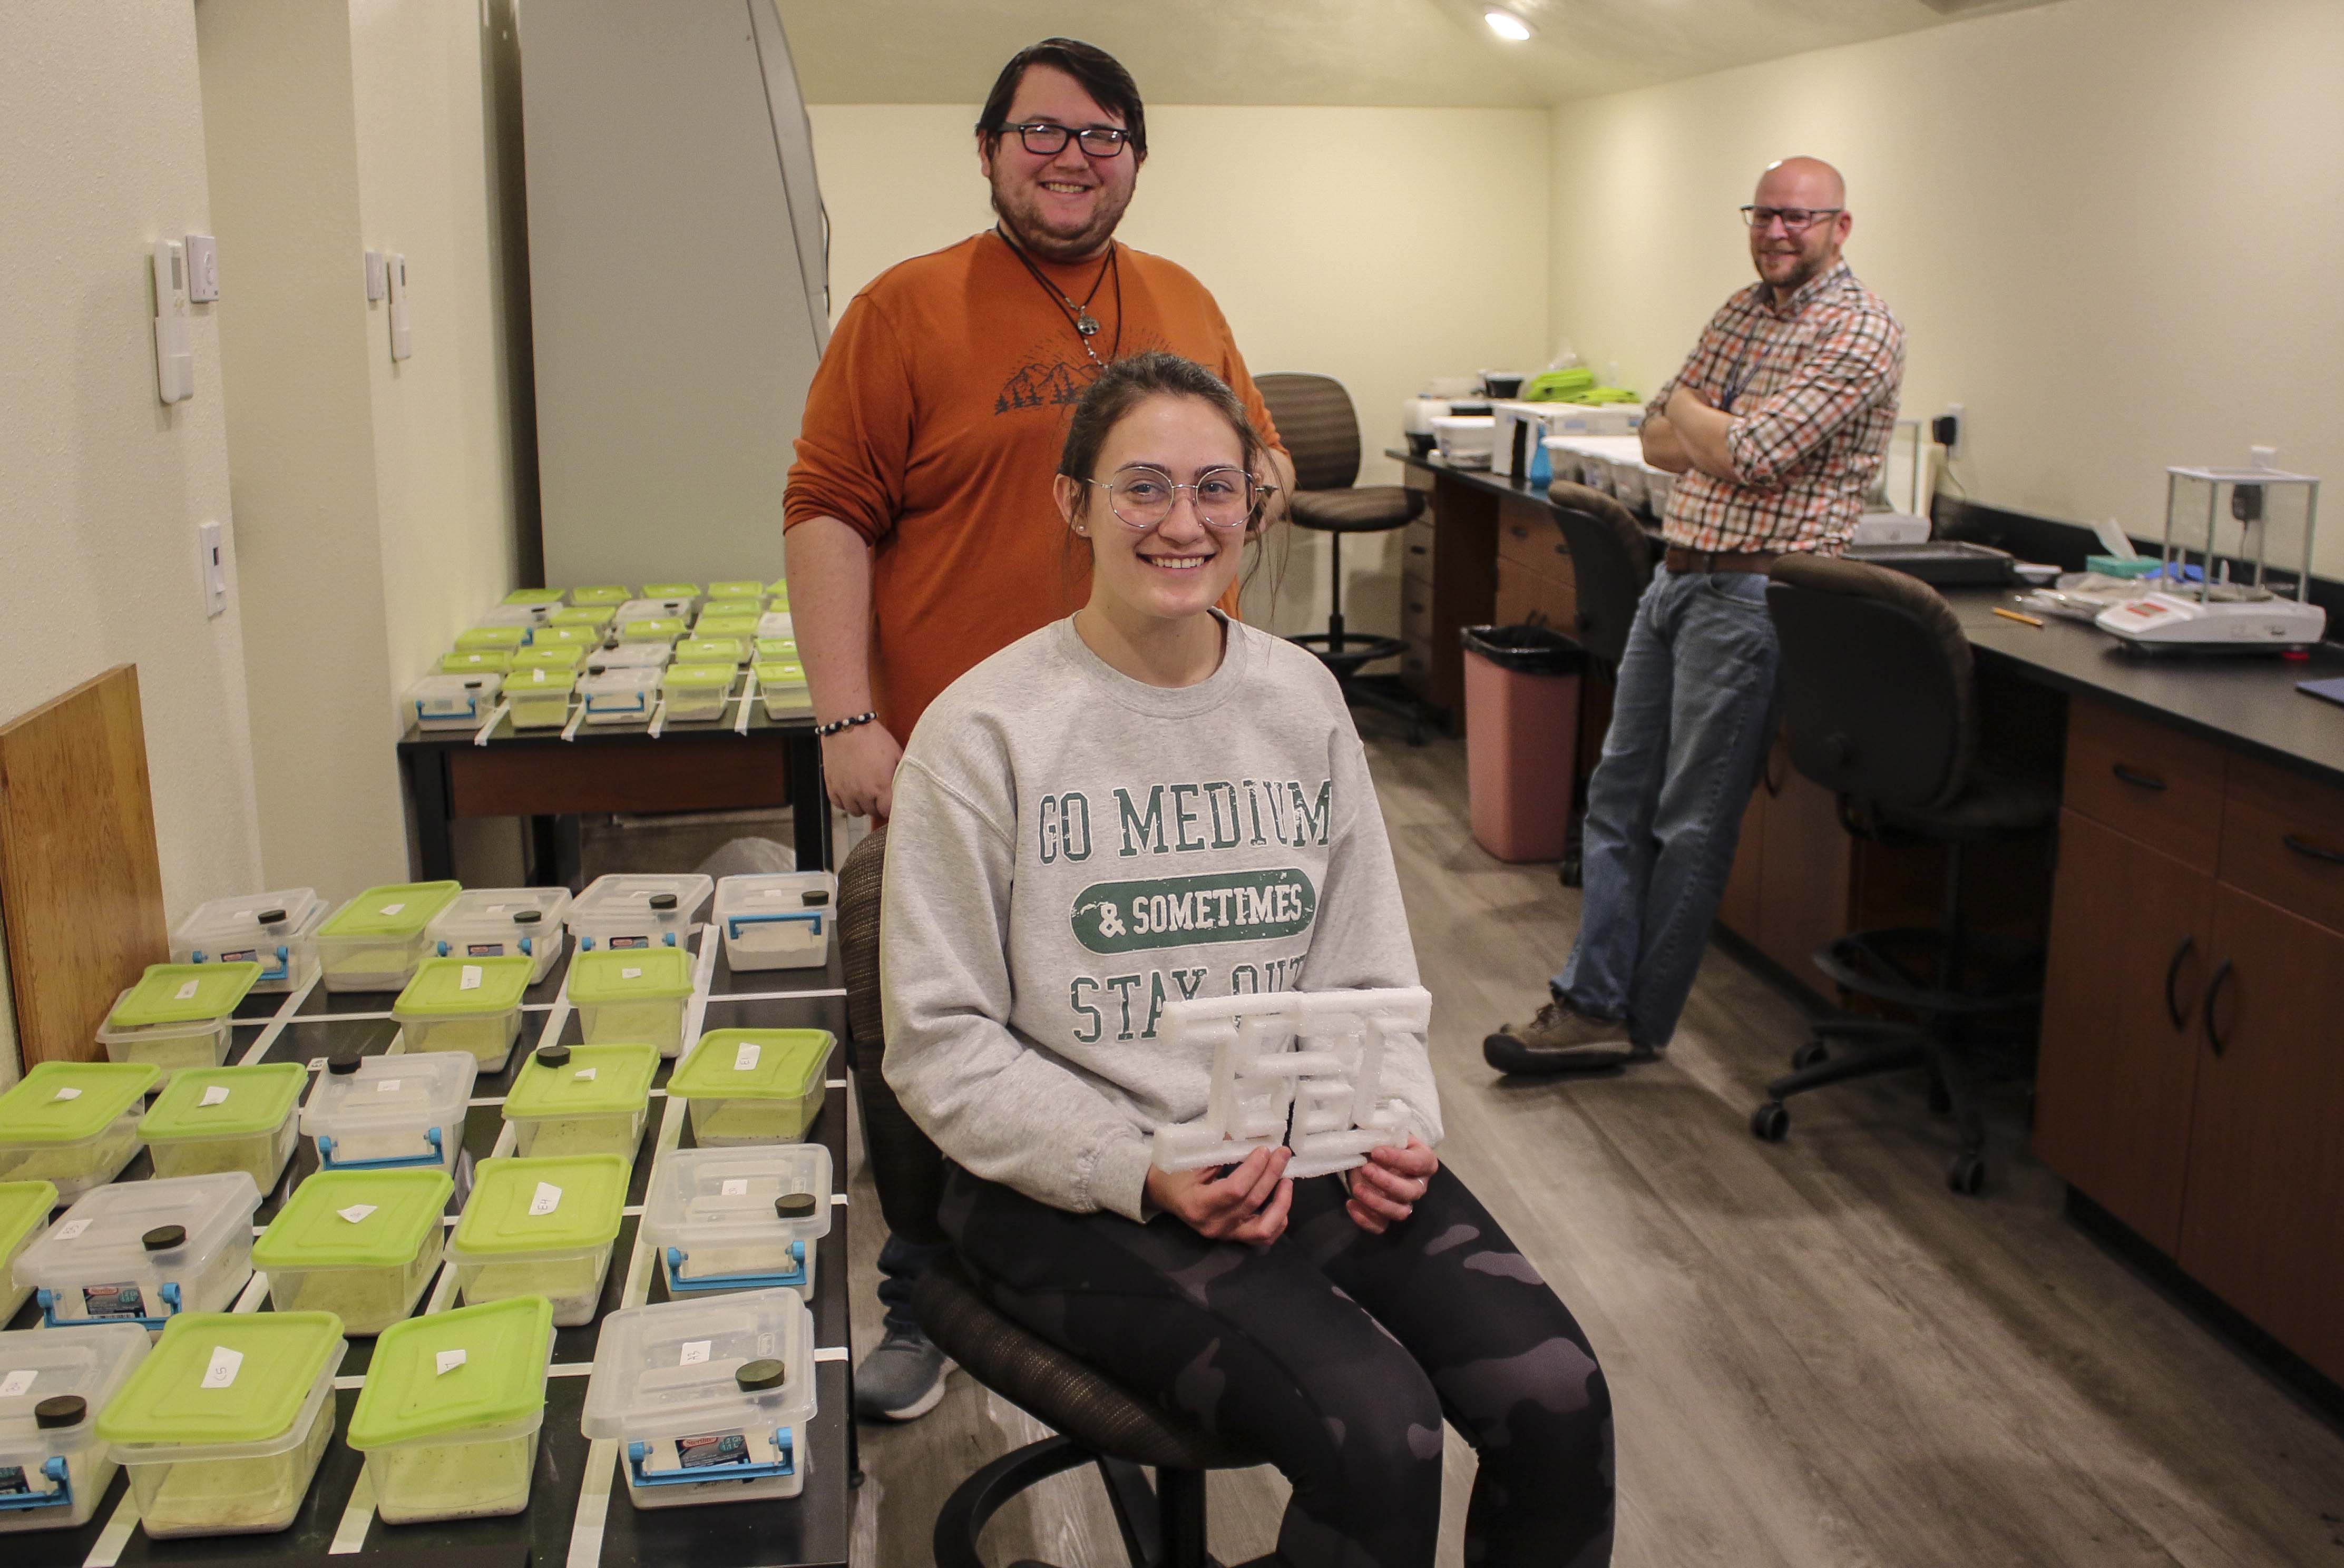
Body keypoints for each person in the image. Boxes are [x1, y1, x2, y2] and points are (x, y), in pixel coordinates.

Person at [882, 352, 1615, 1568]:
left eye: (1217, 488)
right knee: (1378, 1430)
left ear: (1254, 505)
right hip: (1077, 1187)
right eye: (1143, 489)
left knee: (1558, 1395)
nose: (1184, 522)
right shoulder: (986, 733)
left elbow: (1368, 967)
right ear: (1075, 506)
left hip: (1298, 1148)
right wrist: (1143, 1165)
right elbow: (942, 1041)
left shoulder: (1301, 700)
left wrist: (1389, 1121)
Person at [784, 39, 1291, 1421]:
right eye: (1043, 134)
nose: (1073, 159)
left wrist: (1257, 479)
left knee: (1149, 1020)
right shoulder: (904, 310)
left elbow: (1251, 461)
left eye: (1104, 136)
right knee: (908, 1018)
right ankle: (926, 1289)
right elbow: (827, 511)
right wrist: (848, 719)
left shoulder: (1179, 297)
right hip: (954, 770)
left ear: (1136, 155)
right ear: (992, 147)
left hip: (1160, 773)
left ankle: (1142, 1244)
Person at [1484, 156, 1905, 1074]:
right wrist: (1703, 421)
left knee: (1688, 822)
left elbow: (1747, 450)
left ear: (1842, 226)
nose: (1778, 232)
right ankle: (1590, 998)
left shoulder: (1863, 331)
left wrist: (1706, 417)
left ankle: (1630, 1017)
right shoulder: (1742, 308)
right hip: (1676, 581)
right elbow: (1655, 436)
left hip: (1757, 597)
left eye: (1801, 218)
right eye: (1765, 215)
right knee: (1616, 799)